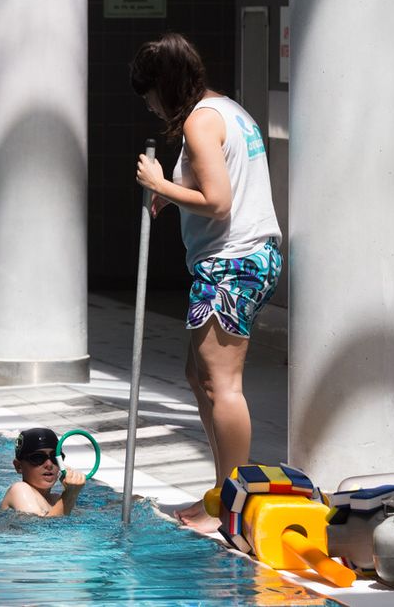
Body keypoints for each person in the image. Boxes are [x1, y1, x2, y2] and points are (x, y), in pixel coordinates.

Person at [129, 33, 283, 533]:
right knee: (199, 375)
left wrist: (159, 184)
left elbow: (219, 201)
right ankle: (221, 494)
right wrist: (173, 197)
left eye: (150, 94)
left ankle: (234, 507)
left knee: (221, 383)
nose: (150, 107)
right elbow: (221, 182)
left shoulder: (199, 122)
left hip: (233, 263)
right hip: (241, 257)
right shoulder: (224, 109)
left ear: (166, 86)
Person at [0, 428, 86, 517]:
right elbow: (40, 528)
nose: (49, 464)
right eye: (38, 458)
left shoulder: (56, 500)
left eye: (54, 457)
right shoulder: (19, 490)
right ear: (19, 466)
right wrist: (70, 493)